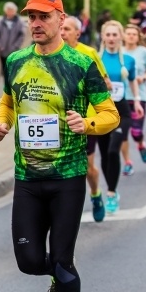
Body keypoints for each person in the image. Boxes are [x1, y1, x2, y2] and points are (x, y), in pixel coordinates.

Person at [0, 0, 119, 292]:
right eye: (31, 17)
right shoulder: (15, 60)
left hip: (68, 175)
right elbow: (7, 101)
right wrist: (2, 123)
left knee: (63, 259)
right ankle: (55, 279)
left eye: (43, 17)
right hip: (27, 177)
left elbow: (110, 113)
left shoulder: (81, 63)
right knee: (28, 261)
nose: (35, 23)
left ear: (61, 20)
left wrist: (87, 123)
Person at [60, 15, 111, 222]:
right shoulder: (49, 55)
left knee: (87, 168)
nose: (63, 33)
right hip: (60, 121)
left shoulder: (88, 53)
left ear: (78, 33)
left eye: (67, 29)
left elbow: (106, 83)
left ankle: (96, 193)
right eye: (61, 29)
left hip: (85, 121)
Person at [99, 20, 144, 211]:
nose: (111, 38)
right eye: (108, 35)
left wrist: (138, 100)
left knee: (112, 150)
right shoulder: (95, 59)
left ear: (120, 37)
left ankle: (110, 192)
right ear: (103, 37)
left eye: (114, 35)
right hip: (100, 111)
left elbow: (133, 81)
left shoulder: (128, 60)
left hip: (122, 111)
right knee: (104, 155)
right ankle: (111, 189)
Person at [122, 24, 146, 173]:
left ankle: (141, 144)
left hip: (138, 97)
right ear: (123, 36)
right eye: (128, 33)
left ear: (138, 37)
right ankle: (128, 162)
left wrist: (143, 78)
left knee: (136, 132)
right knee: (121, 133)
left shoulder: (142, 52)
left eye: (133, 34)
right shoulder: (119, 51)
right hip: (120, 97)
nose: (130, 36)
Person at [0, 2, 25, 74]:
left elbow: (22, 35)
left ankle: (12, 84)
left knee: (14, 69)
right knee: (4, 69)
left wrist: (16, 46)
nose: (10, 12)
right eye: (8, 10)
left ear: (15, 11)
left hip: (14, 51)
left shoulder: (19, 22)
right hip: (3, 51)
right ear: (5, 11)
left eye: (12, 10)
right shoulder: (0, 22)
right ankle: (6, 84)